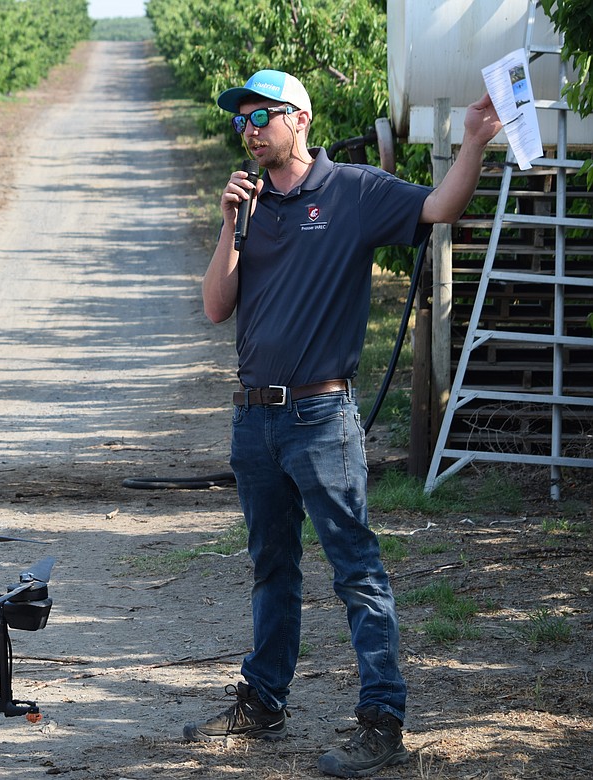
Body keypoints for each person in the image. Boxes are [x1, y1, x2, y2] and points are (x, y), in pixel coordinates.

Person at [184, 69, 502, 777]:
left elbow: (441, 208)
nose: (250, 130)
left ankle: (382, 723)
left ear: (300, 118)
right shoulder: (251, 202)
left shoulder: (354, 191)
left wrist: (474, 143)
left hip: (322, 418)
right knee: (272, 568)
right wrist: (229, 223)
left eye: (262, 116)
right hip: (253, 419)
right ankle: (263, 703)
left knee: (356, 572)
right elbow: (214, 307)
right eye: (241, 121)